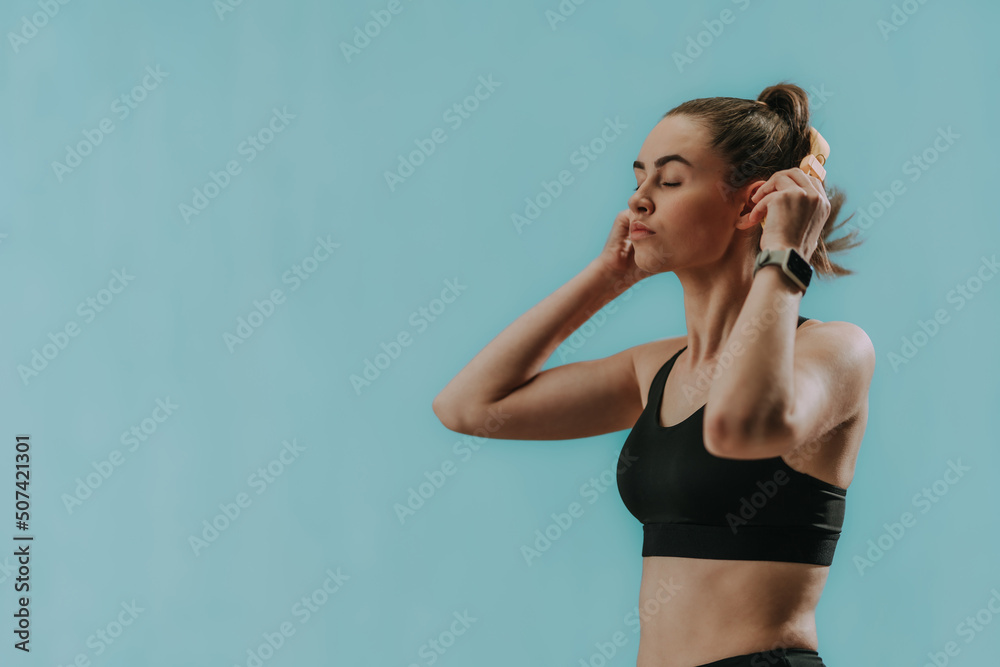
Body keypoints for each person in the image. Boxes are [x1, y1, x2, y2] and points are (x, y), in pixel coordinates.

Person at [432, 82, 875, 667]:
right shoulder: (655, 369)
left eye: (669, 181)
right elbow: (469, 407)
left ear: (752, 206)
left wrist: (785, 255)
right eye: (638, 178)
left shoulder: (833, 350)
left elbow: (739, 428)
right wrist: (604, 279)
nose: (639, 200)